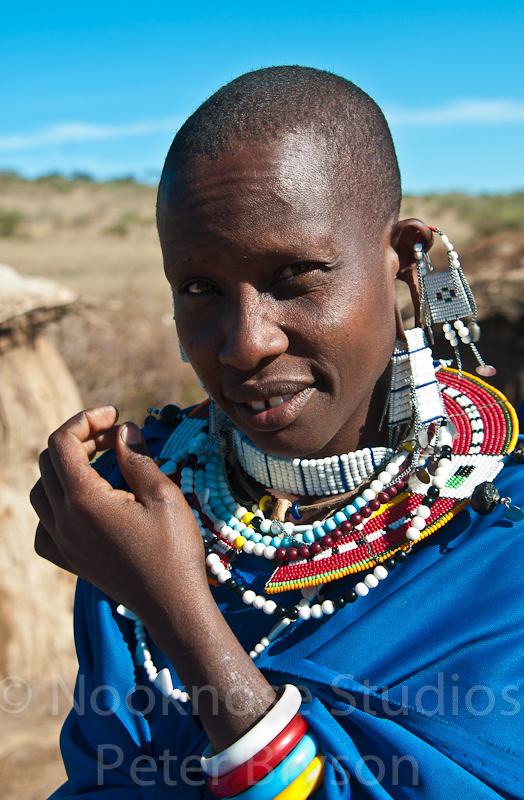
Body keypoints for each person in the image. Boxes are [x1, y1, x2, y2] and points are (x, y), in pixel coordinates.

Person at [31, 66, 524, 799]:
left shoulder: (501, 539)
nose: (245, 344)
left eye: (295, 273)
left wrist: (178, 614)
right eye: (199, 289)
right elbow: (107, 775)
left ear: (405, 262)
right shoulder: (144, 511)